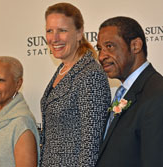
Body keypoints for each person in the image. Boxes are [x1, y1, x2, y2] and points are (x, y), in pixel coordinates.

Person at [40, 3, 111, 167]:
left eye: (62, 30)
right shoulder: (63, 69)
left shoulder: (90, 74)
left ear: (79, 33)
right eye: (49, 30)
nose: (54, 38)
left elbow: (91, 145)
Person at [96, 16, 163, 167]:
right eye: (100, 48)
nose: (101, 56)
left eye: (110, 46)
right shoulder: (125, 92)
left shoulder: (157, 95)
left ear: (135, 46)